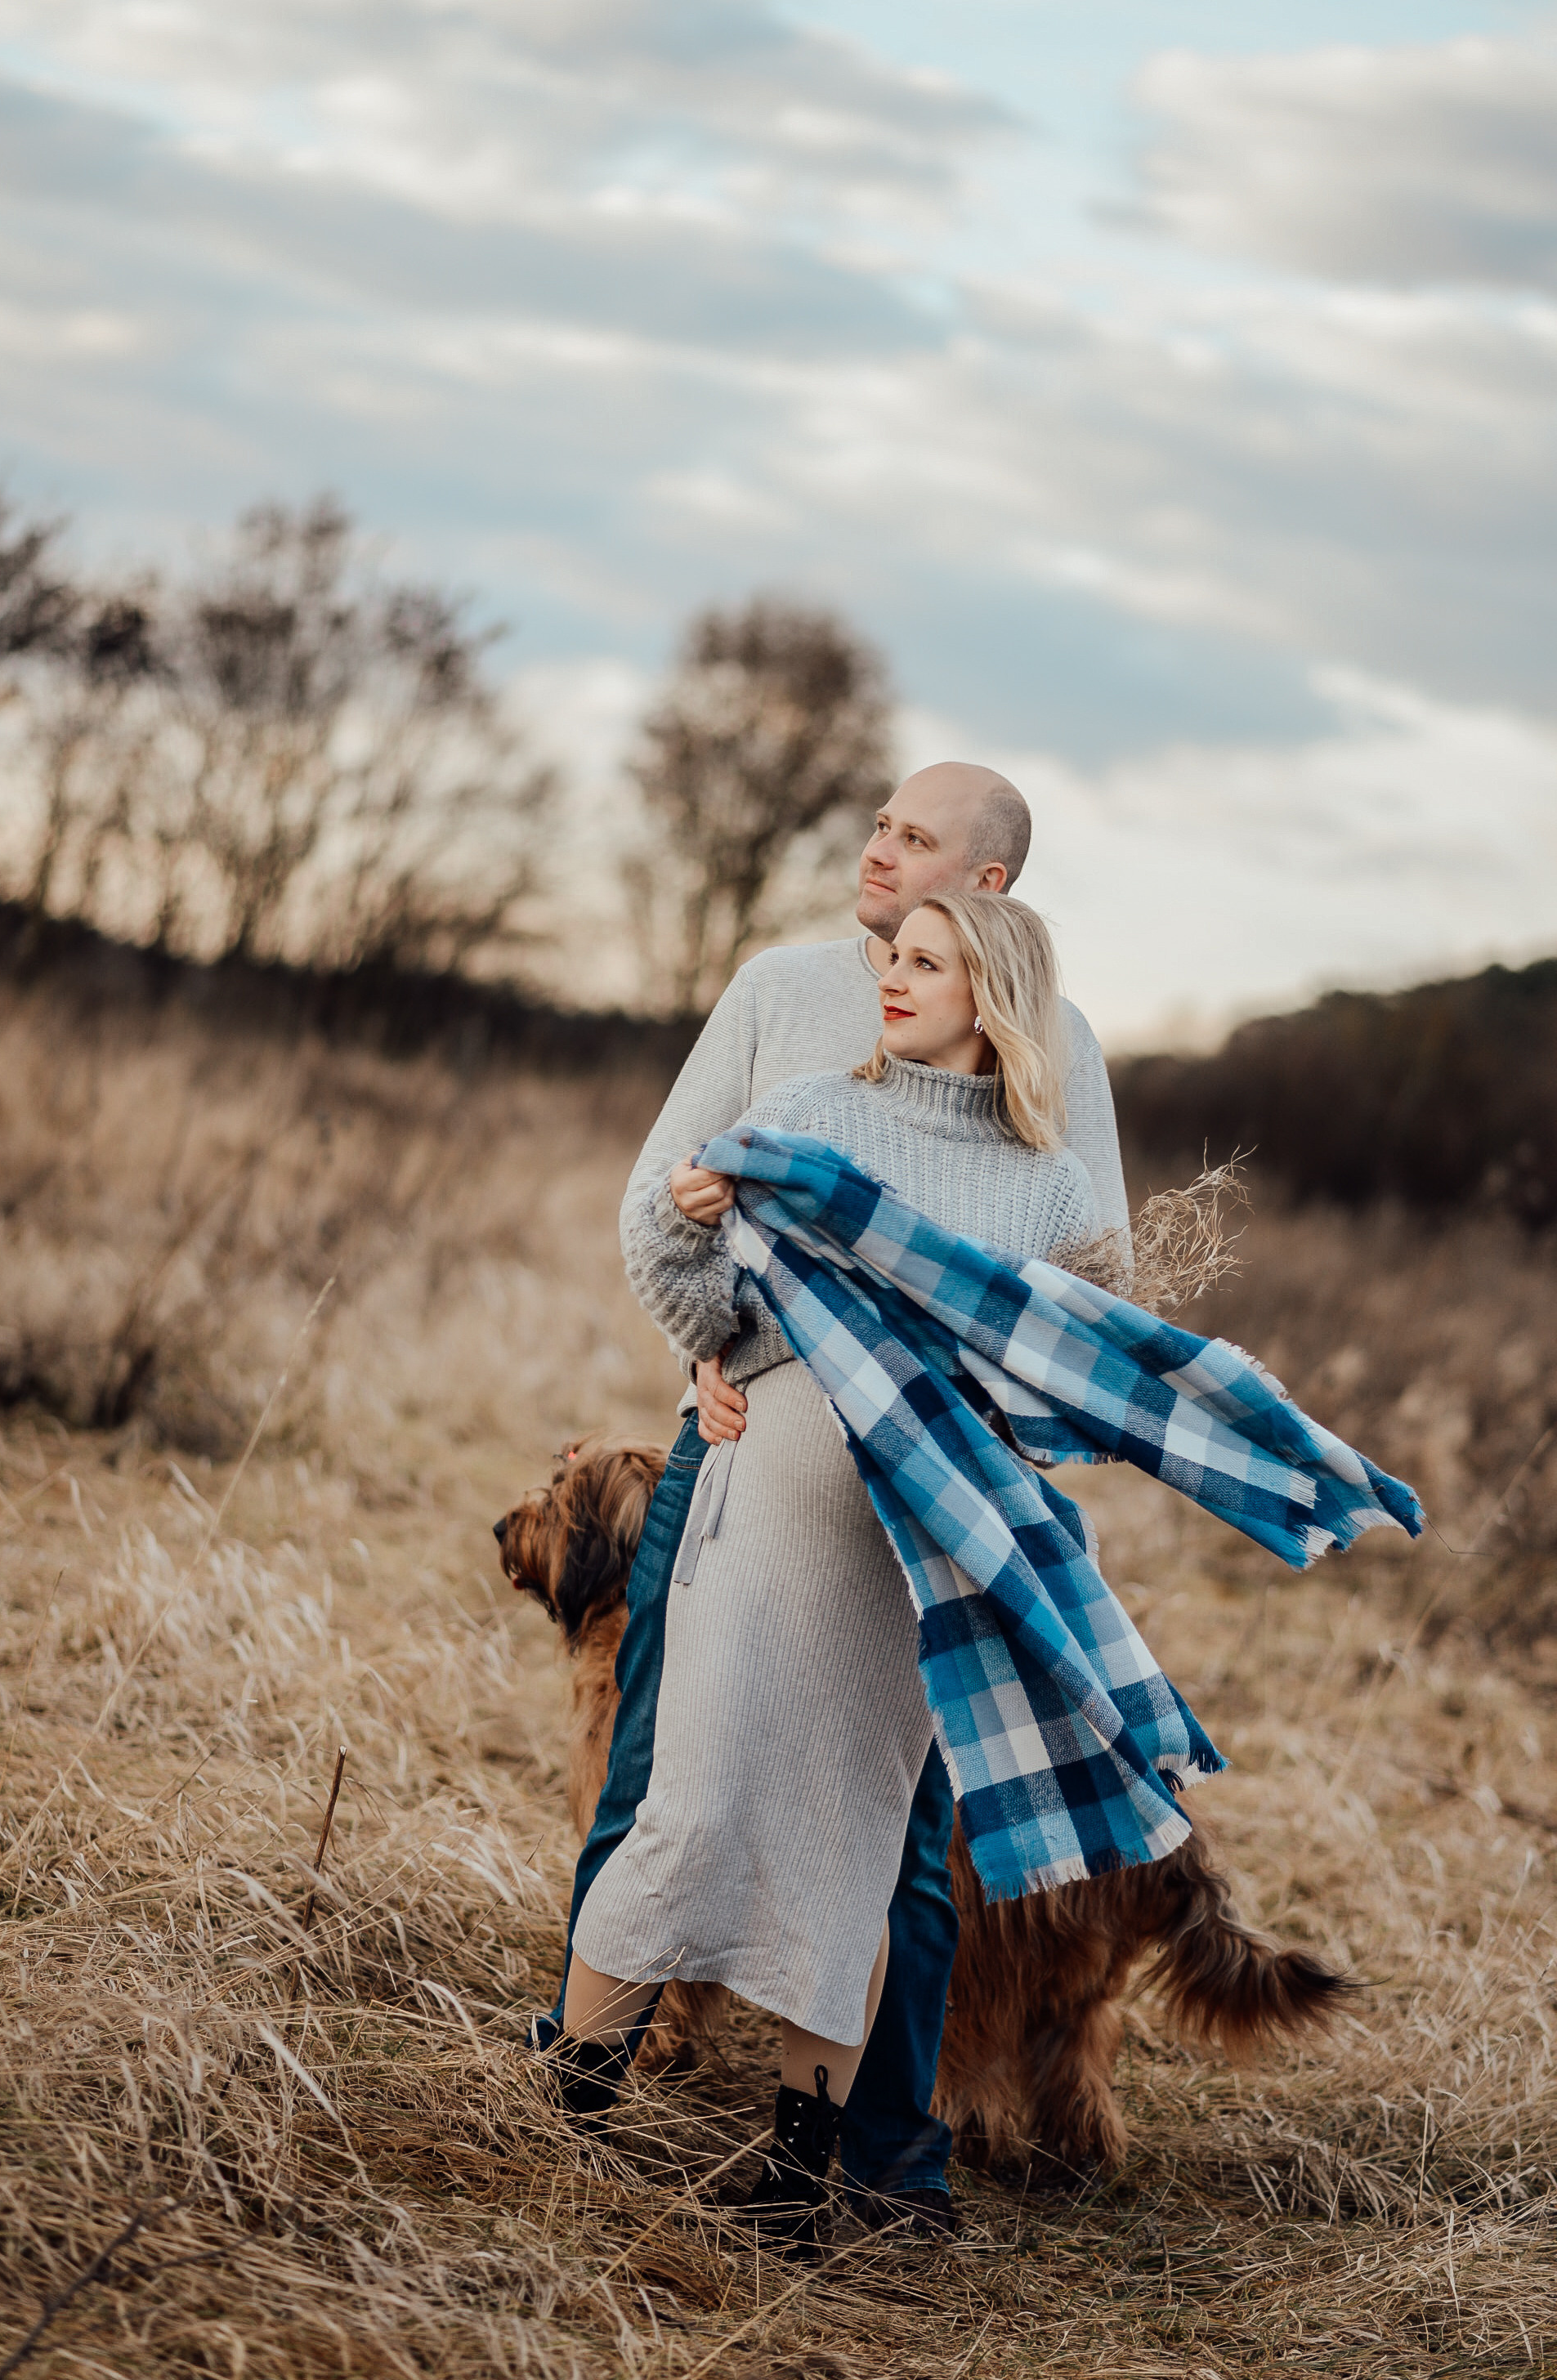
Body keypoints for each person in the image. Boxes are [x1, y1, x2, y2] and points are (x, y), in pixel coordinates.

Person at [531, 761, 1130, 2236]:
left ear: (988, 895)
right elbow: (673, 1208)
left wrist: (1004, 1435)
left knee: (887, 1847)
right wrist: (708, 1359)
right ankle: (587, 2075)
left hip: (918, 1528)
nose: (876, 853)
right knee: (664, 1782)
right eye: (875, 823)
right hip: (738, 1459)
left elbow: (1089, 1308)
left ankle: (873, 2166)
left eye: (914, 842)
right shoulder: (787, 1006)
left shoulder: (1060, 1061)